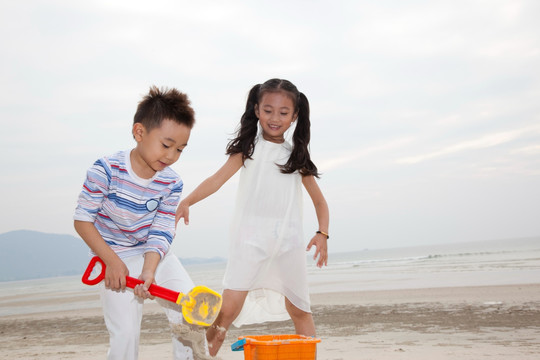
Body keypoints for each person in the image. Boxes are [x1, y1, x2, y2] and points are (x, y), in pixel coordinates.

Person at [176, 78, 330, 356]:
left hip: (288, 244)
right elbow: (216, 180)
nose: (275, 118)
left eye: (284, 113)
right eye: (268, 110)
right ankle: (203, 353)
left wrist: (323, 233)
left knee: (299, 309)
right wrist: (188, 201)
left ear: (295, 116)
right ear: (257, 110)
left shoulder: (296, 156)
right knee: (227, 312)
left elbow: (320, 201)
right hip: (250, 242)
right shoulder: (247, 149)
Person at [74, 86, 200, 360]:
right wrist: (111, 262)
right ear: (139, 132)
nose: (171, 156)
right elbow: (83, 221)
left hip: (155, 256)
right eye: (166, 145)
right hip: (113, 256)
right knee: (126, 333)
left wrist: (149, 269)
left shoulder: (172, 182)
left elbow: (162, 230)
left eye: (180, 149)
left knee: (190, 309)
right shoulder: (106, 170)